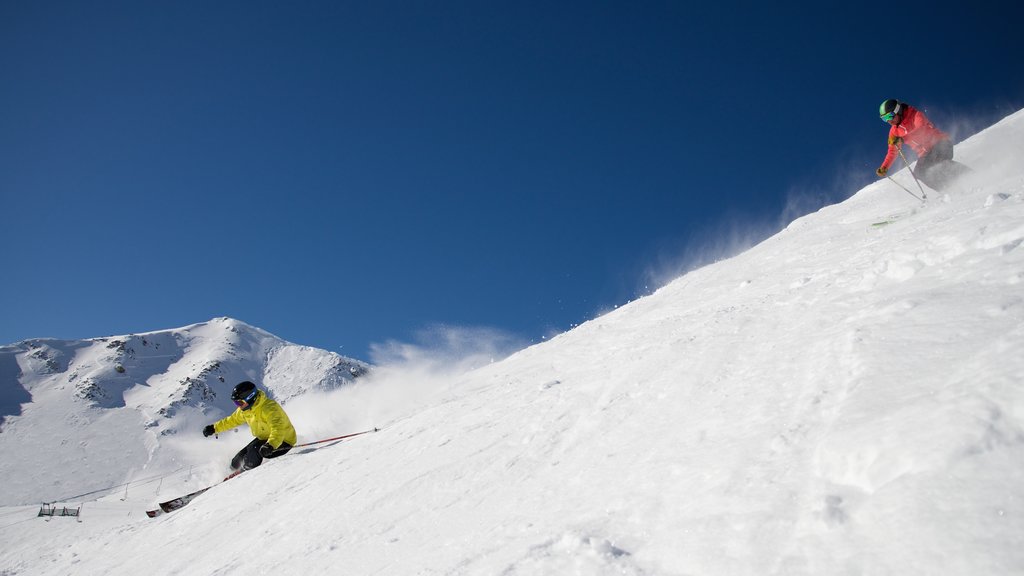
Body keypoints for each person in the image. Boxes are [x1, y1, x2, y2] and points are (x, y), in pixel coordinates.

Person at [875, 98, 968, 191]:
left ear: (898, 110)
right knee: (920, 173)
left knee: (937, 164)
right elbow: (892, 151)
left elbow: (921, 130)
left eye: (889, 116)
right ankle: (948, 190)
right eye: (884, 119)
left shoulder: (915, 115)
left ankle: (967, 175)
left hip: (940, 143)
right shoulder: (894, 132)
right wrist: (884, 167)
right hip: (926, 154)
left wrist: (903, 139)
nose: (889, 121)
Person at [203, 381, 297, 472]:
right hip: (264, 438)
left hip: (283, 440)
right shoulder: (245, 410)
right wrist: (214, 428)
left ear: (250, 398)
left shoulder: (269, 408)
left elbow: (278, 429)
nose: (238, 406)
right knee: (237, 460)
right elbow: (231, 420)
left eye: (239, 403)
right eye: (236, 403)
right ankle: (232, 472)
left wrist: (271, 445)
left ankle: (245, 473)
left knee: (254, 450)